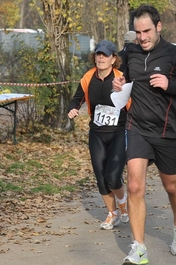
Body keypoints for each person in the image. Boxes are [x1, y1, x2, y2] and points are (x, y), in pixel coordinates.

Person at [112, 4, 176, 265]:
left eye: (147, 31)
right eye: (138, 32)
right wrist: (119, 82)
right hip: (137, 128)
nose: (142, 37)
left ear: (159, 27)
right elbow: (126, 77)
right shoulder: (130, 52)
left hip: (167, 132)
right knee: (134, 185)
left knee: (171, 186)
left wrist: (170, 84)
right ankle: (139, 247)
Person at [67, 40, 129, 230]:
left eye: (105, 55)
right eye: (98, 54)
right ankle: (113, 214)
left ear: (113, 59)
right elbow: (76, 99)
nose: (101, 58)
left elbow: (133, 104)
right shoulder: (88, 77)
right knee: (100, 177)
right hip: (97, 133)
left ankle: (123, 203)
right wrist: (72, 109)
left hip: (119, 132)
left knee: (113, 176)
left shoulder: (121, 78)